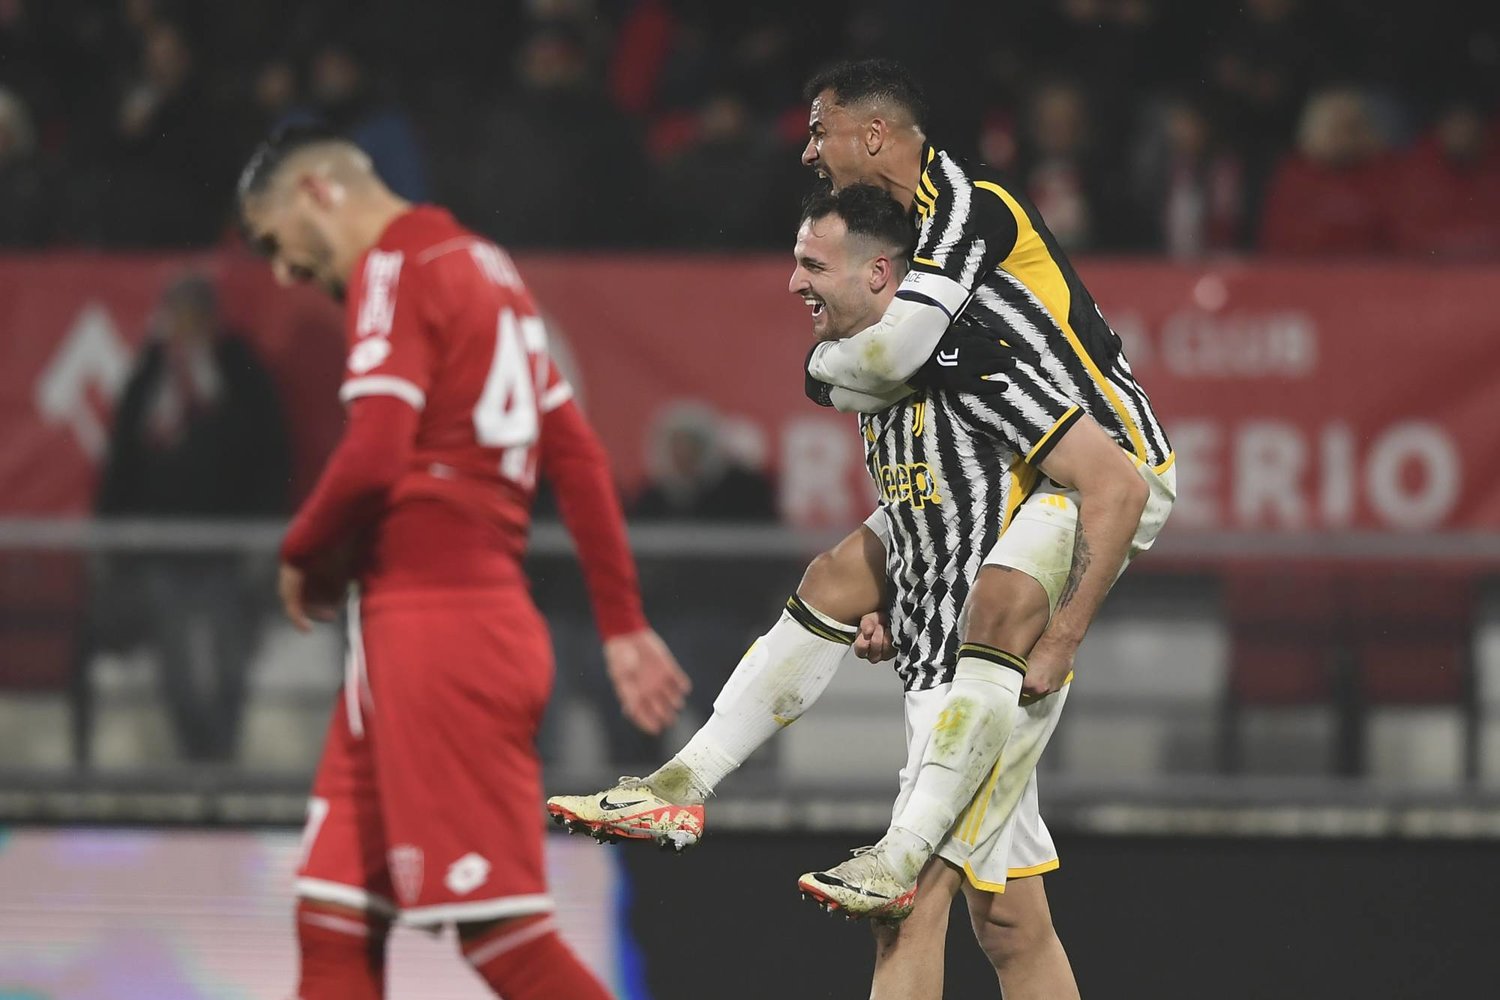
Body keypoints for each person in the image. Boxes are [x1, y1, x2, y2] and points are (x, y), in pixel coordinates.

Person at [235, 125, 690, 1000]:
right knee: (333, 917)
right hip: (432, 629)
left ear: (316, 193)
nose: (286, 273)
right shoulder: (486, 267)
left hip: (437, 631)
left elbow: (375, 454)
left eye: (274, 243)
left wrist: (299, 551)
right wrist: (622, 624)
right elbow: (577, 456)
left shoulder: (393, 267)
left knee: (504, 939)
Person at [95, 272, 291, 762]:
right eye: (175, 315)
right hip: (164, 546)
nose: (183, 326)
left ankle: (222, 761)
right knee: (175, 665)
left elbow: (267, 451)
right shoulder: (151, 374)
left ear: (210, 318)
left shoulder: (239, 370)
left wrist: (262, 532)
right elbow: (123, 458)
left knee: (229, 661)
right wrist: (109, 529)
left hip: (227, 545)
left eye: (192, 315)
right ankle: (195, 761)